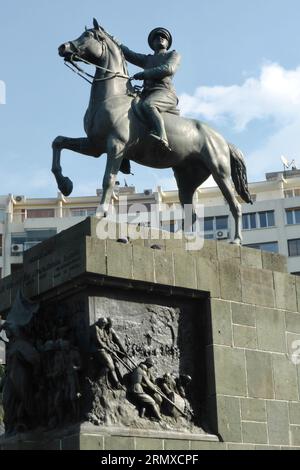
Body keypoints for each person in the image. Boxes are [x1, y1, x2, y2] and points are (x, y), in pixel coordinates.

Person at [120, 27, 181, 151]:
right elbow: (129, 54)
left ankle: (162, 136)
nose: (160, 38)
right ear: (152, 44)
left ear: (167, 43)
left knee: (149, 105)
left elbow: (168, 69)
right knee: (124, 110)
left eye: (163, 37)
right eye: (157, 37)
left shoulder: (173, 54)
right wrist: (113, 40)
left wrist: (144, 74)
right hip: (146, 93)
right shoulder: (147, 59)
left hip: (165, 93)